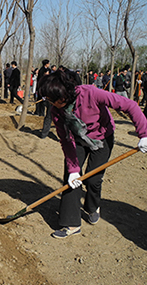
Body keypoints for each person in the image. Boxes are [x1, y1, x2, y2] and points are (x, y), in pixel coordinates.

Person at [38, 70, 147, 239]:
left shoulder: (90, 93)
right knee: (72, 178)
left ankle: (92, 207)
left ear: (63, 95)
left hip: (102, 138)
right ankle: (71, 223)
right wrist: (74, 169)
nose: (50, 103)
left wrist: (144, 134)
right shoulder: (57, 112)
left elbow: (130, 105)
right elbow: (66, 141)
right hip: (78, 141)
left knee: (93, 179)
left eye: (52, 99)